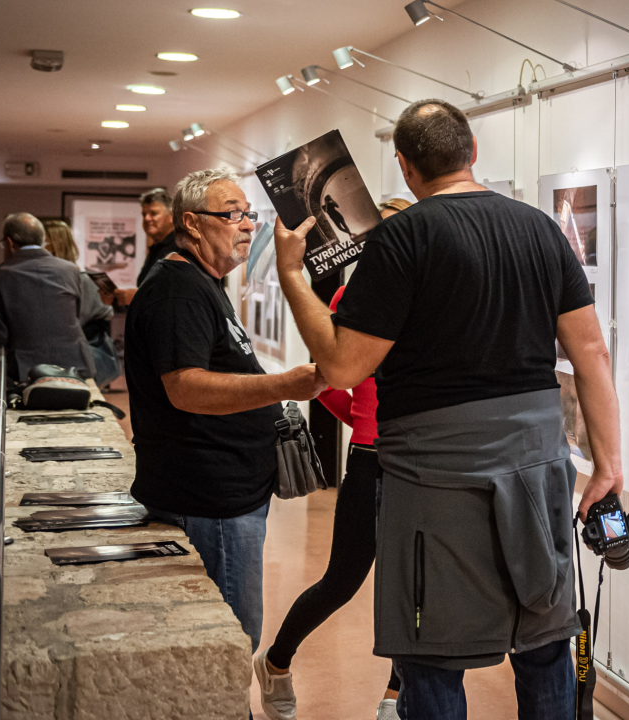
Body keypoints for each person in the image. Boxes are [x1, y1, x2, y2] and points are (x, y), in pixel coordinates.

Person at [273, 100, 624, 720]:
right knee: (545, 641)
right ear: (473, 152)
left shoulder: (401, 238)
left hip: (431, 472)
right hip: (535, 463)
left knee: (431, 652)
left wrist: (293, 277)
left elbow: (343, 368)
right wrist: (609, 466)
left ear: (405, 166)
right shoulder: (541, 229)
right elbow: (591, 351)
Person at [124, 169, 326, 666]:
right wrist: (285, 385)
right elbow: (186, 388)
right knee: (228, 644)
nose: (248, 225)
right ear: (192, 223)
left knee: (231, 638)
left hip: (226, 496)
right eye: (232, 214)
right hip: (208, 500)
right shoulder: (177, 291)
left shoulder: (203, 282)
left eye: (248, 214)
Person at [254, 197, 413, 720]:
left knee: (411, 585)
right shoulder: (351, 296)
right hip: (370, 460)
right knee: (343, 580)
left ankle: (395, 695)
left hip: (421, 460)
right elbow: (328, 379)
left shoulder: (430, 296)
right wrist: (362, 422)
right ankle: (276, 661)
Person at [0, 213, 94, 420]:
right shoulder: (70, 269)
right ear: (42, 239)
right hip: (75, 366)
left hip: (26, 370)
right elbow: (77, 315)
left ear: (10, 242)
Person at [43, 219, 120, 388]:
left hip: (76, 359)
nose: (39, 247)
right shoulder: (45, 278)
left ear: (55, 245)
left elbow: (101, 320)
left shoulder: (82, 279)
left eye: (43, 242)